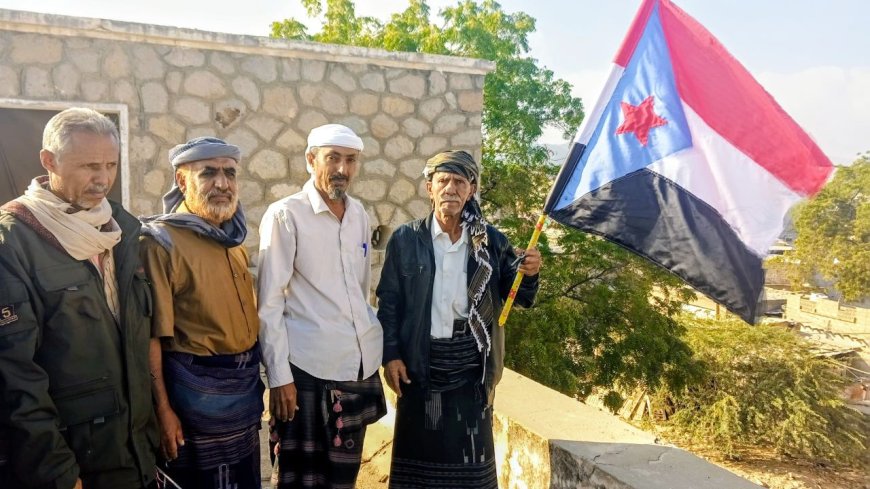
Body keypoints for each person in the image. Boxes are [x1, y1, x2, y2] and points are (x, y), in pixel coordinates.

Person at [0, 108, 156, 488]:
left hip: (134, 455)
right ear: (48, 161)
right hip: (74, 463)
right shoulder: (14, 241)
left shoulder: (120, 229)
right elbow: (14, 376)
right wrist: (57, 471)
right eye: (88, 166)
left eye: (110, 165)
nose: (102, 179)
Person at [376, 150, 541, 488]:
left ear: (471, 189)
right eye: (443, 181)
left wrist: (530, 271)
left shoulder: (491, 242)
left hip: (471, 372)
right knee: (416, 475)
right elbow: (389, 303)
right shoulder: (406, 240)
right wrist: (390, 355)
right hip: (419, 369)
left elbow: (518, 296)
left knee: (470, 473)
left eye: (459, 182)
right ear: (429, 188)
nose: (450, 188)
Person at [257, 124, 386, 488]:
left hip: (357, 368)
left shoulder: (359, 214)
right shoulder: (286, 215)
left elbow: (360, 293)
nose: (342, 169)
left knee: (344, 477)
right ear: (311, 160)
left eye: (351, 160)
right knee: (300, 480)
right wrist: (279, 378)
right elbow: (268, 303)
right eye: (333, 158)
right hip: (306, 370)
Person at [139, 137, 264, 489]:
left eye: (229, 173)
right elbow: (151, 337)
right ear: (182, 181)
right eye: (208, 173)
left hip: (241, 401)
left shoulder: (233, 240)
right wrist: (164, 411)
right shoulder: (160, 243)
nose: (222, 184)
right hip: (194, 407)